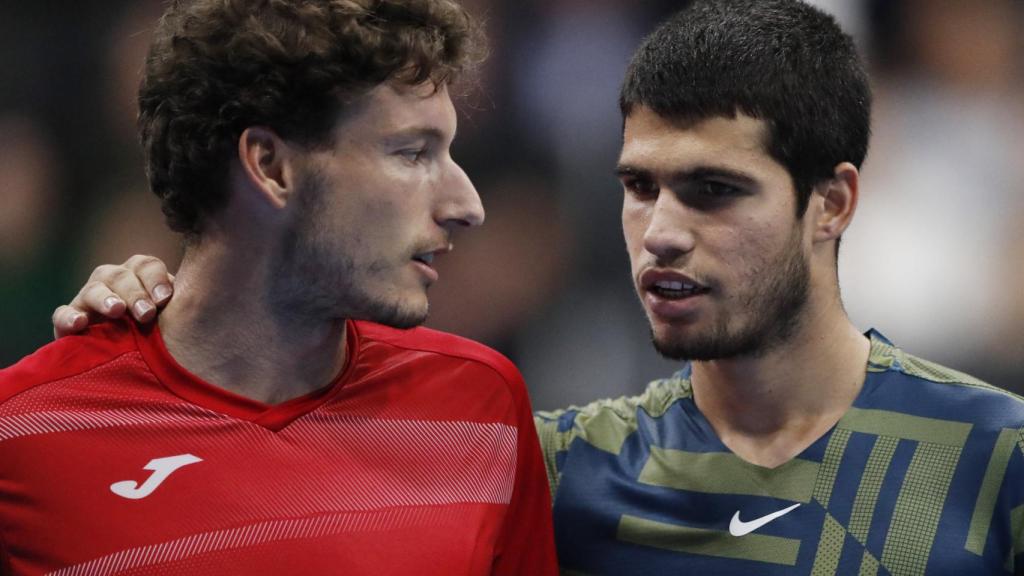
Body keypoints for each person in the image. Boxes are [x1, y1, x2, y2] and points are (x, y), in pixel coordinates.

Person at [49, 0, 1024, 574]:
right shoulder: (544, 462)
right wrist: (149, 321)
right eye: (638, 187)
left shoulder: (1000, 460)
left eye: (715, 191)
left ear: (831, 201)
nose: (664, 232)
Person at [0, 1, 557, 574]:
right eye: (413, 153)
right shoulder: (20, 433)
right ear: (270, 165)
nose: (467, 206)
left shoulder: (482, 406)